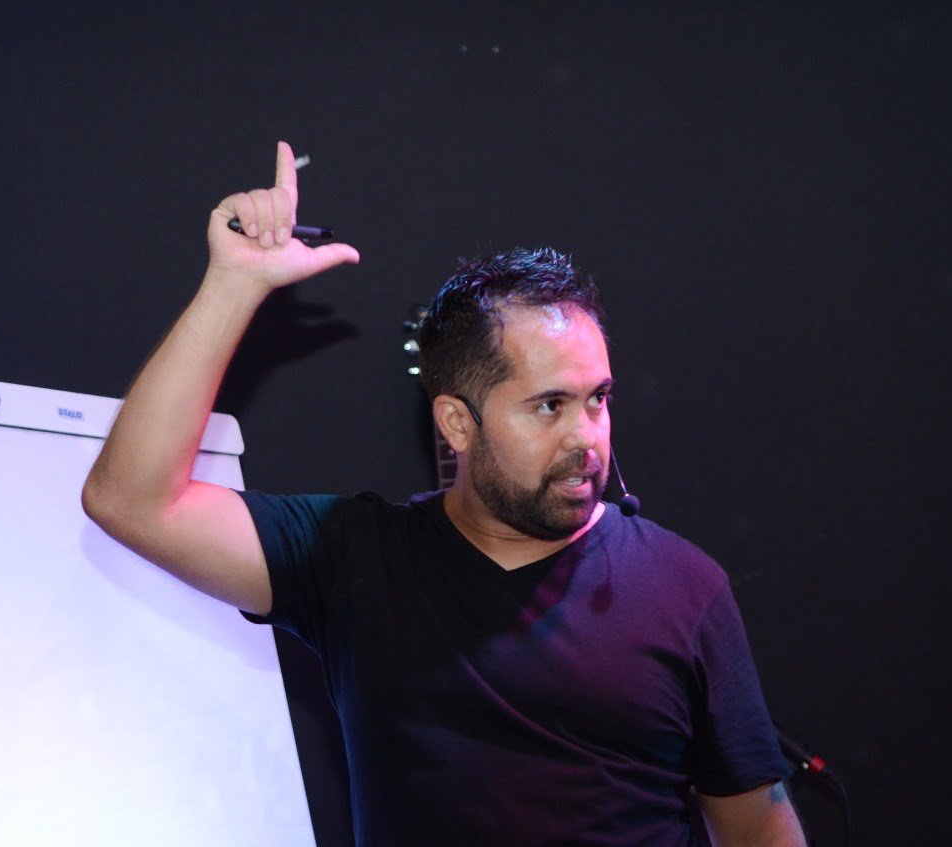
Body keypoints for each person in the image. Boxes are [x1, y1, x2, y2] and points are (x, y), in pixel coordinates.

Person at [83, 142, 806, 847]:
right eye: (549, 405)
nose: (586, 435)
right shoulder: (355, 559)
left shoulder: (684, 587)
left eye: (598, 398)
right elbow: (132, 501)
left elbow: (758, 828)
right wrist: (232, 286)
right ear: (457, 422)